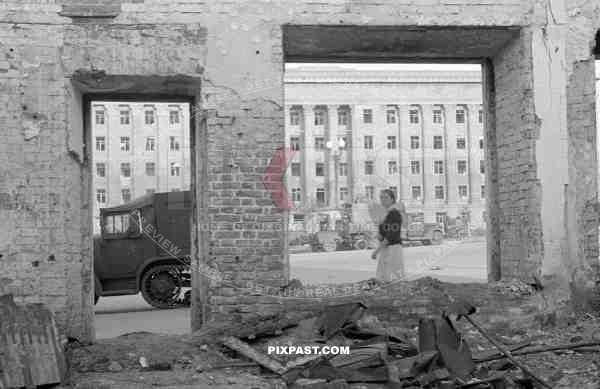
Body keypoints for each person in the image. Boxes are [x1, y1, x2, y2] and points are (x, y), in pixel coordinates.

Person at [370, 189, 406, 283]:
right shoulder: (387, 214)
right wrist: (377, 235)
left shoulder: (394, 213)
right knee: (384, 279)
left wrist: (376, 251)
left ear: (392, 199)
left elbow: (391, 236)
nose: (382, 200)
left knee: (391, 279)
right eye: (381, 197)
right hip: (387, 249)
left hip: (393, 249)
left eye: (385, 197)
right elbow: (384, 235)